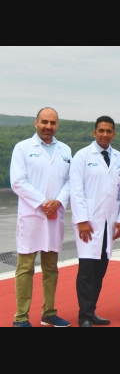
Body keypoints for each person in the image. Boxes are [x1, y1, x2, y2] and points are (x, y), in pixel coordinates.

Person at [10, 107, 71, 327]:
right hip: (32, 216)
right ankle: (21, 317)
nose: (48, 127)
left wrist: (58, 202)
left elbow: (69, 182)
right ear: (36, 123)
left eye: (53, 123)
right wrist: (43, 203)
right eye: (44, 122)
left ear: (57, 125)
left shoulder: (65, 150)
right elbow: (17, 182)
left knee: (51, 269)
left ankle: (49, 313)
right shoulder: (23, 148)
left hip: (54, 216)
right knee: (25, 268)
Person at [70, 116, 120, 327]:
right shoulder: (82, 156)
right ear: (94, 132)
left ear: (114, 134)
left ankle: (91, 311)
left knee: (100, 269)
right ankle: (84, 316)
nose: (105, 134)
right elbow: (75, 191)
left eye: (109, 131)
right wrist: (82, 220)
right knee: (87, 269)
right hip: (89, 223)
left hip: (109, 222)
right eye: (101, 130)